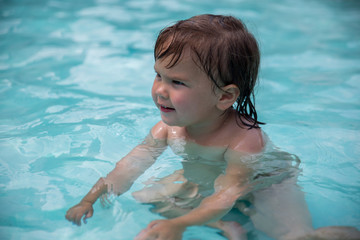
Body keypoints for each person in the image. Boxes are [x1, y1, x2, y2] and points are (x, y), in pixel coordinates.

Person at [65, 14, 360, 240]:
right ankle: (222, 223)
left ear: (225, 96)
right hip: (211, 178)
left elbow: (228, 193)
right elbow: (127, 168)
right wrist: (89, 199)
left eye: (177, 82)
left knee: (292, 234)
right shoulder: (167, 129)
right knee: (148, 196)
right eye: (159, 76)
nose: (159, 91)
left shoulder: (244, 141)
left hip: (266, 183)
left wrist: (179, 224)